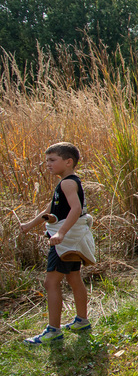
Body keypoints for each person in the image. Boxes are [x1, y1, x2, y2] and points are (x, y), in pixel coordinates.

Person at [19, 142, 95, 344]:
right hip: (75, 239)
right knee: (73, 278)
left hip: (65, 241)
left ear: (68, 162)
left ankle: (53, 331)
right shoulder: (69, 182)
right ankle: (82, 320)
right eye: (46, 161)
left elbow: (76, 209)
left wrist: (60, 233)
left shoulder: (67, 183)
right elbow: (50, 209)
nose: (48, 164)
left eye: (52, 160)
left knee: (50, 282)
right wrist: (30, 224)